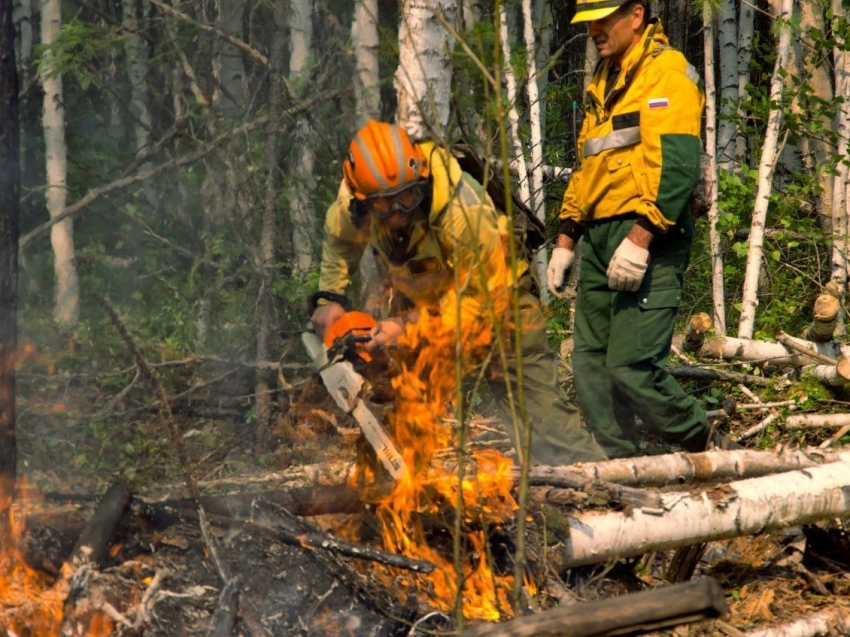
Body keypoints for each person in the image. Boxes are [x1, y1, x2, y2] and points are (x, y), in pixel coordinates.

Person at [310, 119, 607, 466]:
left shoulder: (460, 204)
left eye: (406, 197)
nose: (397, 213)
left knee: (542, 420)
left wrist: (405, 325)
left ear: (420, 180)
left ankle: (600, 484)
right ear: (362, 199)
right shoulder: (352, 201)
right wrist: (330, 298)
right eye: (382, 205)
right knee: (399, 397)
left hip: (497, 298)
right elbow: (340, 244)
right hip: (425, 296)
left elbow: (481, 299)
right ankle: (402, 490)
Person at [547, 0, 730, 457]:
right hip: (600, 234)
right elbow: (588, 166)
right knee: (589, 364)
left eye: (603, 20)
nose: (593, 31)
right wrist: (566, 239)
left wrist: (641, 238)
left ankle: (704, 439)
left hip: (650, 231)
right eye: (589, 23)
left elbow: (677, 167)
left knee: (630, 365)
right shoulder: (602, 80)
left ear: (636, 14)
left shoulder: (666, 72)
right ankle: (621, 465)